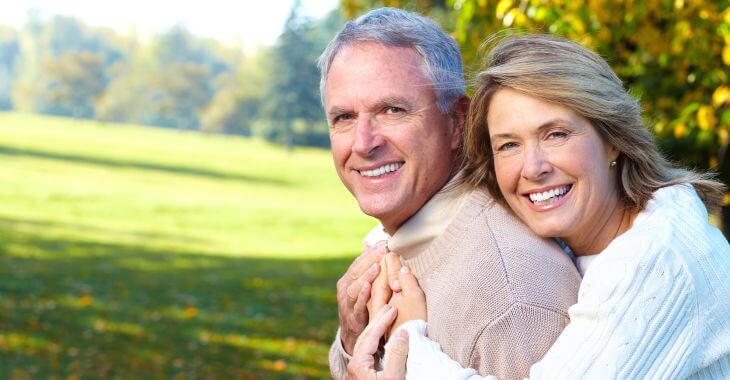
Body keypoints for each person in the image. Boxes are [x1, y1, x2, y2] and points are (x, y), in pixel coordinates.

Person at [349, 34, 730, 379]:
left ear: (612, 139)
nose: (533, 168)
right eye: (509, 145)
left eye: (556, 134)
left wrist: (412, 341)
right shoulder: (594, 236)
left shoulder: (658, 259)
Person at [319, 9, 582, 380]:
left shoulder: (512, 299)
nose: (364, 143)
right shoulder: (399, 243)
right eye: (344, 117)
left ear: (458, 121)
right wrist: (351, 340)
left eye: (392, 110)